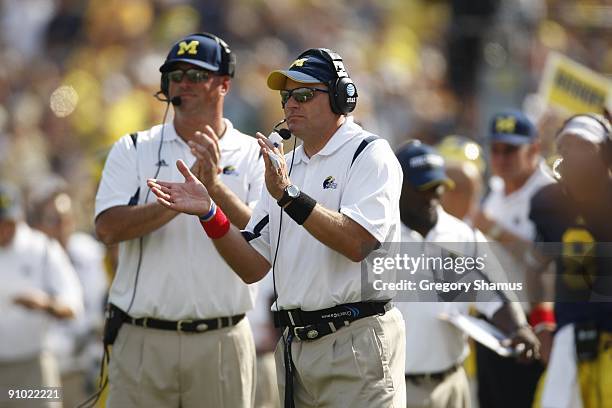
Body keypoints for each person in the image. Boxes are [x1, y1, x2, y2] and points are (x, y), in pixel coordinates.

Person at [148, 48, 406, 408]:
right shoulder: (285, 166)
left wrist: (289, 196)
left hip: (355, 339)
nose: (291, 106)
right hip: (296, 347)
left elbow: (358, 243)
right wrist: (210, 212)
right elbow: (253, 266)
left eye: (303, 95)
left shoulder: (369, 154)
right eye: (286, 97)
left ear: (340, 98)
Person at [94, 32, 263, 408]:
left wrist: (215, 190)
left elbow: (264, 239)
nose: (182, 81)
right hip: (142, 338)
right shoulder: (133, 147)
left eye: (195, 74)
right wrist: (174, 203)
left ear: (224, 84)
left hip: (222, 338)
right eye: (175, 74)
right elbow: (106, 228)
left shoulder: (253, 152)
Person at [394, 141, 539, 408]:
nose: (433, 195)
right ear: (397, 187)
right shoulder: (377, 235)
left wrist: (518, 328)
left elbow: (495, 293)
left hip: (453, 383)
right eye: (422, 188)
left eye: (438, 187)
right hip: (397, 388)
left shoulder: (462, 234)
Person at [529, 113, 612, 408]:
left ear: (605, 154)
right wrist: (541, 325)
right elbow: (535, 268)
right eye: (565, 146)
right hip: (569, 341)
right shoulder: (548, 203)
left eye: (582, 145)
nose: (571, 155)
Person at [472, 110, 554, 408]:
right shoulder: (496, 189)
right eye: (495, 149)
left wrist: (494, 229)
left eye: (510, 149)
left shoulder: (549, 192)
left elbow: (548, 260)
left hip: (533, 326)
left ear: (534, 149)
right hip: (494, 322)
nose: (501, 158)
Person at [0, 182, 83, 408]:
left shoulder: (41, 249)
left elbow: (73, 305)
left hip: (33, 369)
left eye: (8, 223)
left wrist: (44, 304)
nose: (3, 231)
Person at [28, 178, 108, 408]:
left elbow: (101, 306)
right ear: (35, 224)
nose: (63, 226)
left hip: (85, 371)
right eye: (54, 220)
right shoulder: (25, 259)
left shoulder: (90, 253)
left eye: (67, 217)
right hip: (41, 372)